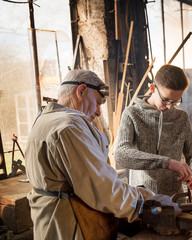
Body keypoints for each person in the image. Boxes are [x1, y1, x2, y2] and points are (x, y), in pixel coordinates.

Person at [25, 70, 155, 239]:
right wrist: (144, 199)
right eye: (98, 102)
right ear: (81, 91)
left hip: (51, 222)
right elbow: (103, 189)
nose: (99, 112)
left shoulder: (45, 119)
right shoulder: (69, 127)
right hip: (71, 225)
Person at [114, 64, 192, 196]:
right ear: (152, 88)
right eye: (166, 100)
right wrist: (167, 163)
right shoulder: (132, 114)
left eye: (175, 102)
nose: (170, 107)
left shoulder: (181, 117)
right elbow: (121, 154)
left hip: (176, 199)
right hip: (142, 199)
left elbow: (191, 153)